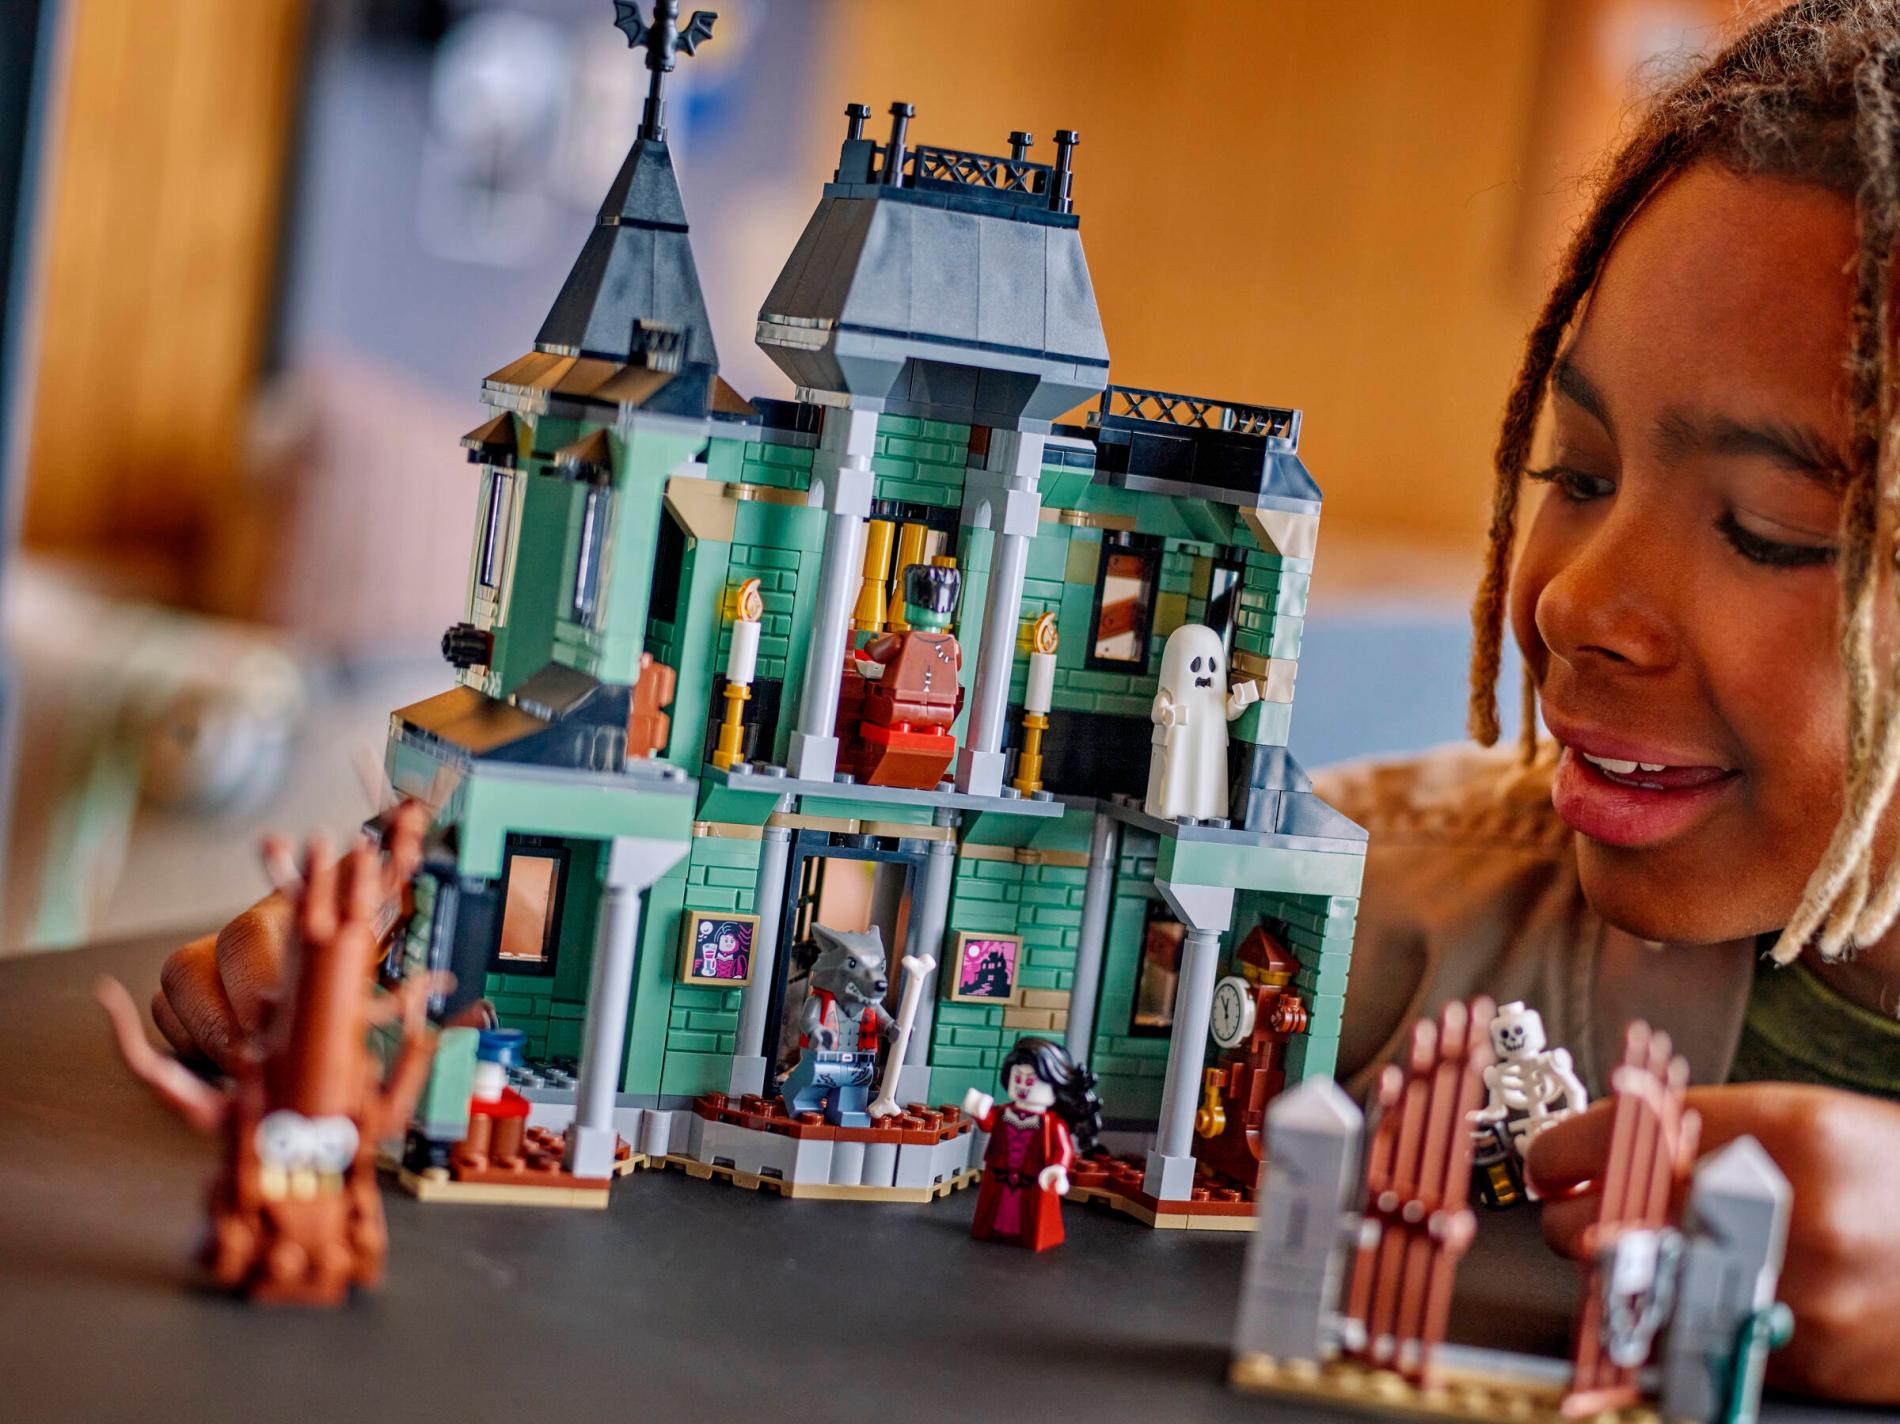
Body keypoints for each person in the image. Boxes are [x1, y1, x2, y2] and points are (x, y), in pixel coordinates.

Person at [147, 0, 1900, 1400]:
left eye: (1771, 528)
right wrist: (394, 960)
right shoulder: (1417, 905)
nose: (1578, 600)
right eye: (1573, 471)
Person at [961, 1037, 1103, 1252]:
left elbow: (1064, 1149)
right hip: (1000, 1173)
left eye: (1030, 1081)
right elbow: (989, 1123)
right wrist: (978, 1109)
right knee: (996, 1207)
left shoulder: (1053, 1123)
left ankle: (1027, 1235)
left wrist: (1058, 1169)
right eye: (1017, 1078)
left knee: (1031, 1213)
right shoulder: (1005, 1112)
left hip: (1035, 1178)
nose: (1022, 1086)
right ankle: (992, 1229)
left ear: (1054, 1084)